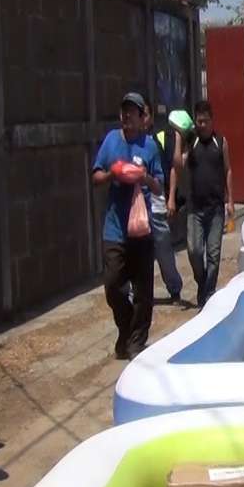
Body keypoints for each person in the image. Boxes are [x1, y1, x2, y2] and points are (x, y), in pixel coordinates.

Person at [92, 93, 164, 359]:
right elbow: (96, 176)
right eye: (124, 111)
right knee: (113, 286)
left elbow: (159, 186)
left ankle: (135, 343)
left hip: (142, 230)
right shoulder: (111, 140)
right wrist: (112, 174)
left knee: (144, 292)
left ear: (142, 117)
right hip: (115, 229)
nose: (127, 116)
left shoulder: (150, 146)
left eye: (132, 112)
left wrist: (144, 178)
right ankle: (126, 328)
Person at [173, 100, 233, 308]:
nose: (202, 125)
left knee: (213, 254)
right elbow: (178, 165)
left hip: (216, 208)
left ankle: (208, 294)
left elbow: (228, 170)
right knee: (194, 251)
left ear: (212, 120)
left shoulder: (220, 142)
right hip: (195, 209)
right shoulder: (192, 142)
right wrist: (179, 139)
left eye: (206, 121)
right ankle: (202, 282)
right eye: (199, 121)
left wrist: (230, 200)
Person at [146, 108, 183, 303]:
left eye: (144, 114)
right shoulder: (129, 142)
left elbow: (173, 168)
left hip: (157, 203)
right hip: (136, 206)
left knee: (163, 250)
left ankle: (174, 287)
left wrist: (171, 198)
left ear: (151, 117)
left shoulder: (158, 138)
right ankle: (138, 292)